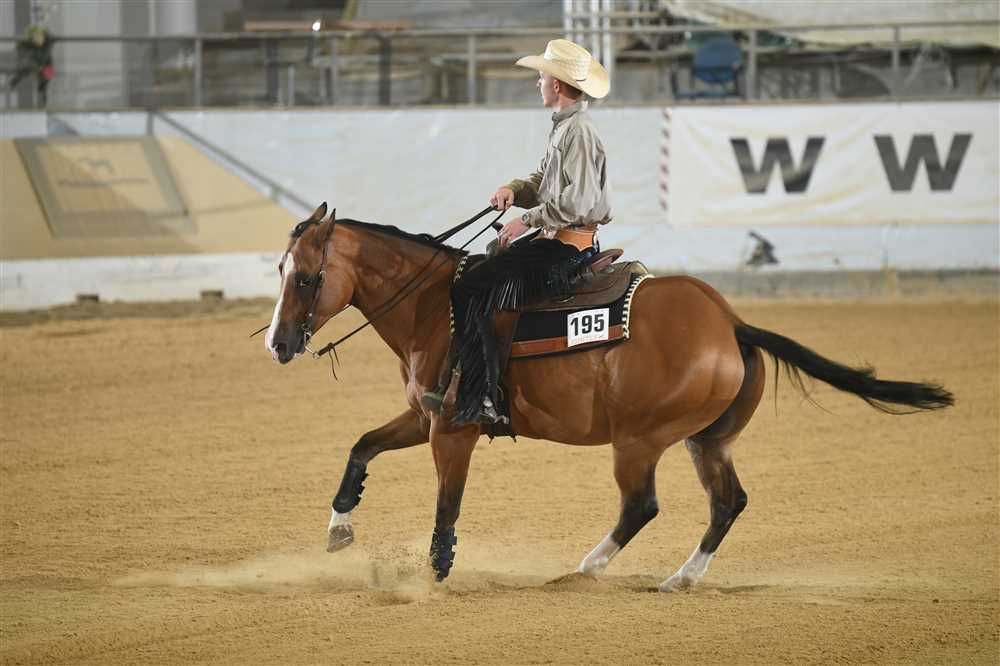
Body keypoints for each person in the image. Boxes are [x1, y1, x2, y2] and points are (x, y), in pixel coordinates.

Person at [423, 38, 614, 425]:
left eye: (541, 77)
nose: (537, 82)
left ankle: (481, 394)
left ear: (556, 85)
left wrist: (525, 220)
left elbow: (577, 203)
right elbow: (544, 181)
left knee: (469, 287)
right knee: (485, 269)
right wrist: (514, 190)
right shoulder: (566, 128)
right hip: (557, 238)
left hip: (566, 245)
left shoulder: (577, 132)